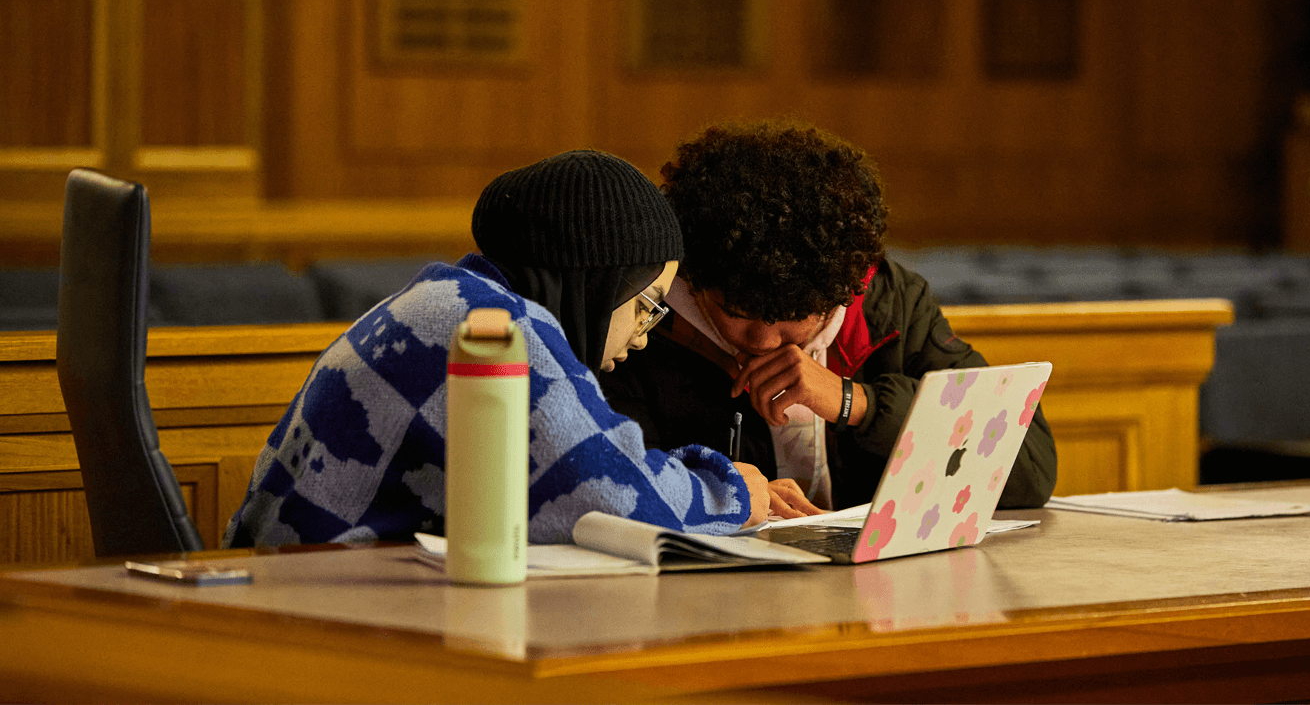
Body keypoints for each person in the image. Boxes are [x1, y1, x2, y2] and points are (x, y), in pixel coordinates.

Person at [224, 150, 768, 548]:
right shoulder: (494, 328)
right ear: (597, 281)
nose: (645, 332)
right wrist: (733, 492)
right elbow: (607, 496)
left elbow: (578, 463)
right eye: (646, 304)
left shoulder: (452, 299)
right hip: (309, 610)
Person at [600, 121, 1057, 517]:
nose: (762, 340)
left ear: (840, 291)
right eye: (735, 313)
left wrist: (857, 403)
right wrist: (723, 496)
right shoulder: (638, 325)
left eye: (793, 318)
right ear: (696, 281)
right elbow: (606, 485)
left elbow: (1030, 473)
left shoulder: (890, 304)